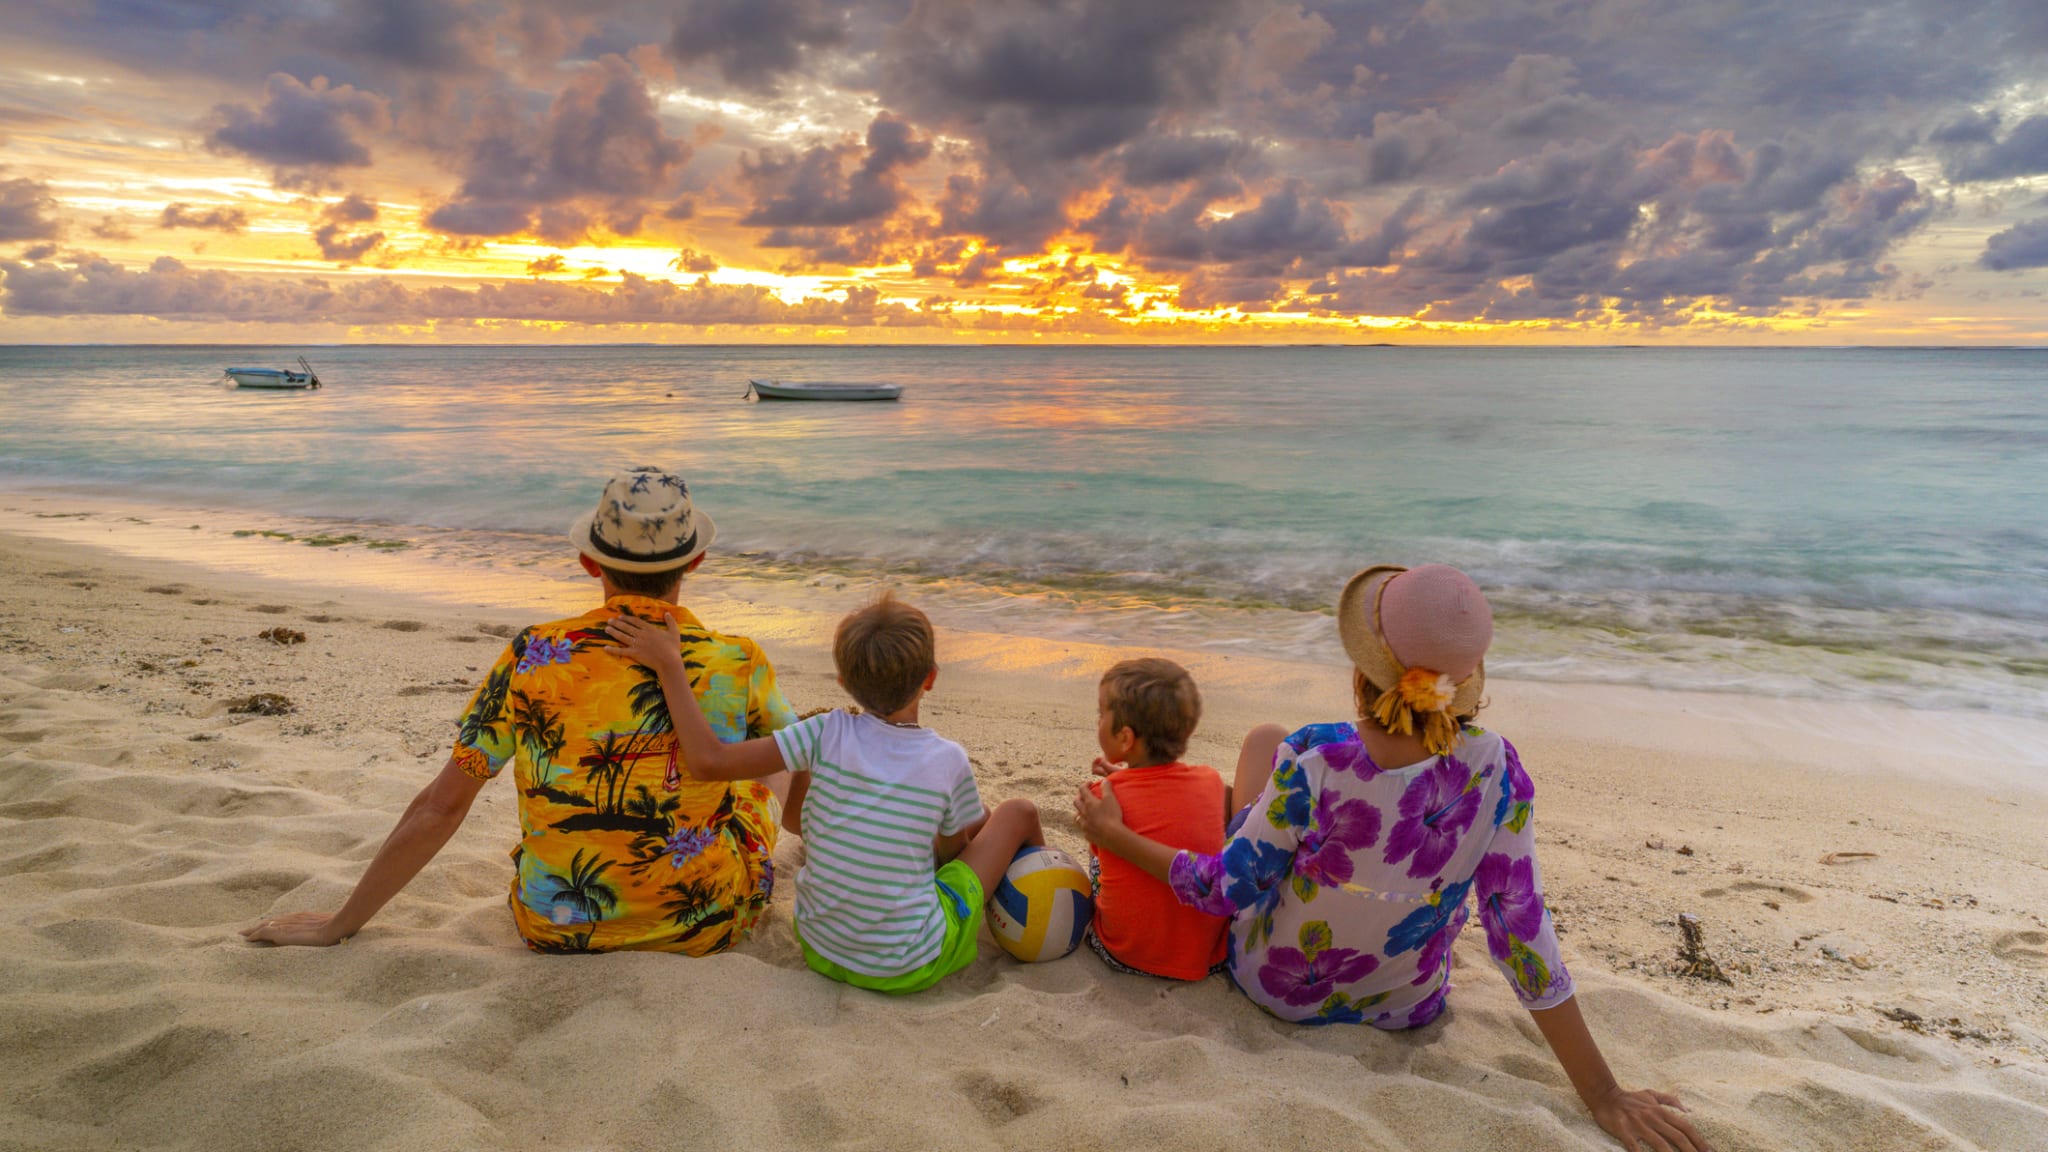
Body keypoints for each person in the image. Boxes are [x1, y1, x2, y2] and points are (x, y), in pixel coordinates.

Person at [1074, 564, 1711, 1152]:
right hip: (1406, 1005)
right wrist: (1604, 1093)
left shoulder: (1314, 758)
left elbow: (1224, 892)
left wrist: (1115, 833)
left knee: (1263, 740)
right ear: (1464, 684)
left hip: (1278, 989)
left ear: (1362, 666)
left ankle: (1176, 792)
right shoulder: (1497, 768)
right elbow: (1519, 932)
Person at [242, 466, 798, 955]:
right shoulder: (738, 660)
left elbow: (441, 806)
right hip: (703, 928)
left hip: (554, 927)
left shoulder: (533, 655)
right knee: (777, 756)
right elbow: (809, 758)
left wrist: (341, 923)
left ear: (588, 561)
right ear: (696, 560)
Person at [609, 592, 1043, 994]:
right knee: (1015, 812)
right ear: (929, 678)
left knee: (964, 813)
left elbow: (711, 763)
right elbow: (949, 860)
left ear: (842, 680)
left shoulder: (821, 732)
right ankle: (1045, 898)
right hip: (908, 965)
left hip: (820, 949)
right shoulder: (947, 759)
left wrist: (670, 666)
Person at [1082, 657, 1229, 980]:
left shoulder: (1101, 797)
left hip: (1125, 954)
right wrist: (1127, 778)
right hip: (1208, 958)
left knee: (1096, 863)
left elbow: (1101, 846)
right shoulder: (1211, 782)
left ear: (1125, 739)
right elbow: (1162, 802)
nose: (1097, 720)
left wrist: (1116, 784)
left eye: (1100, 714)